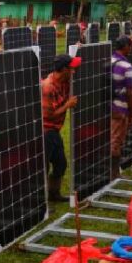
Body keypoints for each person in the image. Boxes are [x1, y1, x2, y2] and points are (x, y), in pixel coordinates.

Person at [41, 54, 81, 202]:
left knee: (60, 164)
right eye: (71, 68)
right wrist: (67, 105)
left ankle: (53, 194)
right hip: (45, 131)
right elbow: (48, 115)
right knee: (43, 167)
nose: (74, 71)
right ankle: (40, 199)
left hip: (54, 130)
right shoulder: (48, 87)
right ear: (64, 69)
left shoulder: (65, 80)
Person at [110, 36, 132, 179]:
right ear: (125, 46)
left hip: (106, 106)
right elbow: (129, 92)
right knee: (117, 140)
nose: (131, 49)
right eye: (130, 46)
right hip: (120, 108)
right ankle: (114, 173)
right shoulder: (126, 66)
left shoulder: (108, 60)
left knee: (111, 137)